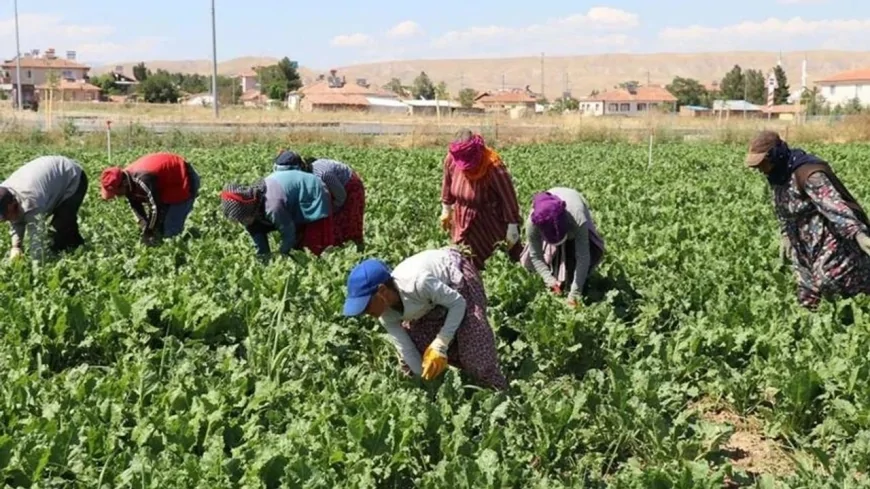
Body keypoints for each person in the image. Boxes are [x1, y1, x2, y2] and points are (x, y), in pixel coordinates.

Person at [342, 247, 509, 390]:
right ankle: (462, 377)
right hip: (429, 302)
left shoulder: (418, 283)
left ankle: (501, 393)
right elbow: (407, 349)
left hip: (456, 282)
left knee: (475, 348)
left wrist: (441, 342)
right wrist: (426, 382)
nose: (365, 312)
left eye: (366, 305)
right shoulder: (386, 315)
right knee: (418, 347)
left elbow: (458, 303)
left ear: (382, 291)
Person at [745, 130, 870, 310]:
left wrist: (857, 234)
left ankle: (857, 309)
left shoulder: (808, 174)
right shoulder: (777, 175)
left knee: (828, 278)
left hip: (828, 237)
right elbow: (782, 207)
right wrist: (785, 233)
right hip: (801, 241)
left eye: (762, 163)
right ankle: (814, 328)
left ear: (775, 156)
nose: (759, 169)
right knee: (807, 292)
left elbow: (834, 207)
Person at [440, 129, 522, 270]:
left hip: (489, 224)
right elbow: (447, 184)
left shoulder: (493, 166)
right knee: (465, 262)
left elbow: (508, 197)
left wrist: (513, 226)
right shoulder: (452, 160)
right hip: (461, 222)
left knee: (492, 263)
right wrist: (446, 208)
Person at [520, 188, 606, 307]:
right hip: (549, 221)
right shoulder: (533, 223)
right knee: (531, 263)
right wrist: (550, 280)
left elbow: (583, 256)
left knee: (580, 262)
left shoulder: (577, 217)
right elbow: (536, 256)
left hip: (574, 211)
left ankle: (577, 283)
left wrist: (575, 294)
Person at [220, 168, 334, 257]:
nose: (242, 222)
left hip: (312, 190)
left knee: (311, 242)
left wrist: (282, 253)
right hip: (287, 195)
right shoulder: (252, 206)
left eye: (242, 218)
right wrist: (264, 260)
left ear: (247, 209)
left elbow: (288, 232)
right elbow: (259, 241)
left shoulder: (272, 206)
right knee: (256, 226)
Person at [100, 152, 200, 244]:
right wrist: (145, 227)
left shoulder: (143, 179)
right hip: (165, 186)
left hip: (183, 179)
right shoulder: (125, 180)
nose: (116, 196)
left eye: (116, 192)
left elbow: (155, 207)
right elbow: (135, 204)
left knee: (171, 229)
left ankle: (181, 255)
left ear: (124, 184)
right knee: (159, 227)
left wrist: (148, 231)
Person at [0, 155, 88, 260]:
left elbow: (36, 235)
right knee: (65, 228)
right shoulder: (5, 192)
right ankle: (79, 247)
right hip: (52, 180)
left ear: (13, 204)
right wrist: (16, 247)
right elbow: (15, 218)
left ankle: (75, 254)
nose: (4, 219)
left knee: (60, 226)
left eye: (4, 215)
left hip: (72, 178)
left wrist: (37, 263)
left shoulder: (30, 199)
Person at [273, 150, 365, 249]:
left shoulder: (322, 174)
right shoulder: (301, 180)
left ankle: (354, 250)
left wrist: (331, 211)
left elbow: (341, 196)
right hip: (330, 191)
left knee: (346, 223)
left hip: (348, 188)